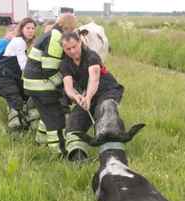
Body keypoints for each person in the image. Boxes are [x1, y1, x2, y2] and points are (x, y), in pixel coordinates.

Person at [60, 31, 124, 161]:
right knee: (74, 120)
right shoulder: (65, 64)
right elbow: (68, 87)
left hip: (107, 90)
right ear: (64, 49)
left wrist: (88, 97)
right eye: (68, 49)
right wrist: (76, 97)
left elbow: (94, 79)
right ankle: (78, 157)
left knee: (105, 110)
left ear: (80, 43)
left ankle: (112, 153)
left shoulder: (91, 56)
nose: (72, 51)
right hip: (87, 94)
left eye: (74, 47)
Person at [22, 14, 77, 155]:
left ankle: (40, 143)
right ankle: (59, 153)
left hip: (32, 82)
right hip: (41, 83)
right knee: (56, 118)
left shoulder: (51, 33)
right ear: (68, 27)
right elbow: (50, 68)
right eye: (73, 28)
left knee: (46, 114)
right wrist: (63, 87)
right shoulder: (56, 36)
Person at [0, 18, 38, 131]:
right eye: (28, 28)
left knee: (25, 96)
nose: (31, 30)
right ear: (21, 29)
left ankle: (25, 125)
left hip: (11, 76)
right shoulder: (19, 41)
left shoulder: (23, 42)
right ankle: (15, 130)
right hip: (3, 76)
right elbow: (23, 65)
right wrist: (36, 79)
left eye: (33, 28)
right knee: (16, 101)